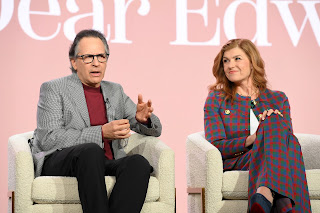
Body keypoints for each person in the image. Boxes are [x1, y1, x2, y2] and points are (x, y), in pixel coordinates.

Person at [30, 29, 162, 213]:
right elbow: (48, 139)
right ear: (74, 62)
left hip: (104, 162)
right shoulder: (54, 89)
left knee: (138, 163)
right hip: (62, 160)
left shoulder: (115, 91)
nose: (96, 63)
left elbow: (155, 130)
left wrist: (144, 120)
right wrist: (100, 133)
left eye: (101, 56)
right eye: (88, 57)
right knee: (91, 151)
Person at [204, 39, 311, 212]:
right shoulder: (216, 99)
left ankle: (264, 195)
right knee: (274, 122)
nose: (230, 65)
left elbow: (286, 140)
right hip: (240, 159)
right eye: (226, 61)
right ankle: (284, 202)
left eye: (237, 58)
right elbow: (216, 145)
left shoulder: (278, 98)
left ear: (252, 63)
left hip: (271, 155)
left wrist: (269, 122)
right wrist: (251, 139)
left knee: (273, 119)